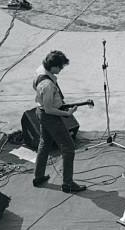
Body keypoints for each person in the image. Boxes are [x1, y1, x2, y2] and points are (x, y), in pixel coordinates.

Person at [32, 50, 86, 193]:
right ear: (53, 66)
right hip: (49, 116)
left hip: (40, 112)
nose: (61, 69)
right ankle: (68, 183)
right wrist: (66, 113)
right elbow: (49, 109)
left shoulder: (40, 70)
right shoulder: (48, 85)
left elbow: (36, 90)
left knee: (44, 144)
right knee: (68, 148)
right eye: (60, 67)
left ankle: (38, 177)